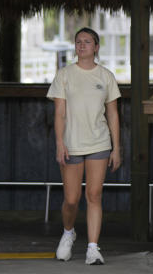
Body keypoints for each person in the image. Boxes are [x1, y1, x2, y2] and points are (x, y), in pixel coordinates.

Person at [46, 27, 121, 265]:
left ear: (96, 47)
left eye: (87, 42)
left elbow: (113, 115)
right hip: (71, 144)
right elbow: (59, 113)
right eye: (78, 41)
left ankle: (92, 248)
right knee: (71, 199)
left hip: (99, 142)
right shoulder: (65, 74)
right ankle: (69, 232)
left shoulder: (106, 76)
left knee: (94, 195)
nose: (81, 45)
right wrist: (59, 143)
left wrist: (116, 148)